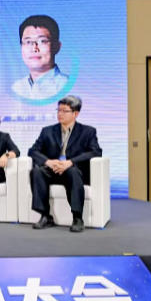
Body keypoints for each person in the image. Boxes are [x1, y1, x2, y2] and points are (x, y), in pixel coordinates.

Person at [28, 95, 102, 233]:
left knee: (72, 172)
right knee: (37, 171)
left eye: (64, 111)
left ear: (75, 113)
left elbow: (96, 152)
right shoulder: (47, 131)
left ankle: (77, 218)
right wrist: (48, 162)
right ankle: (45, 216)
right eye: (58, 110)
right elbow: (33, 151)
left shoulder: (87, 131)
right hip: (53, 170)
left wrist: (70, 162)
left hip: (73, 171)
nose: (60, 114)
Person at [11, 15, 69, 100]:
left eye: (42, 41)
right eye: (28, 42)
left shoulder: (67, 85)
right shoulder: (17, 88)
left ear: (57, 47)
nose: (34, 48)